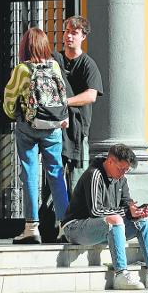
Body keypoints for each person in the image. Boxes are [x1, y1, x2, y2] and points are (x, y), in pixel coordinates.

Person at [61, 144, 148, 290]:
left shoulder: (121, 179)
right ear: (110, 161)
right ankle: (121, 274)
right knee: (115, 219)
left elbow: (126, 204)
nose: (123, 173)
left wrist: (136, 211)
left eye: (126, 170)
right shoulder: (94, 174)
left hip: (104, 228)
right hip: (76, 227)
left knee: (143, 221)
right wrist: (128, 212)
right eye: (121, 169)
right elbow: (96, 211)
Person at [3, 27, 69, 244]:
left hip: (29, 126)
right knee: (56, 173)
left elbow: (9, 101)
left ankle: (31, 228)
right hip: (53, 126)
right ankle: (65, 226)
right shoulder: (55, 65)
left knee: (30, 173)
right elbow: (63, 96)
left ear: (25, 46)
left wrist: (17, 115)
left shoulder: (22, 69)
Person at [53, 15, 104, 193]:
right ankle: (51, 220)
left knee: (77, 181)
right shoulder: (55, 60)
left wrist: (64, 102)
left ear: (83, 36)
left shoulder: (88, 65)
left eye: (74, 33)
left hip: (78, 130)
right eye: (67, 31)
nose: (68, 36)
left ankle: (76, 219)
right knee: (53, 180)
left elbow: (91, 96)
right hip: (55, 128)